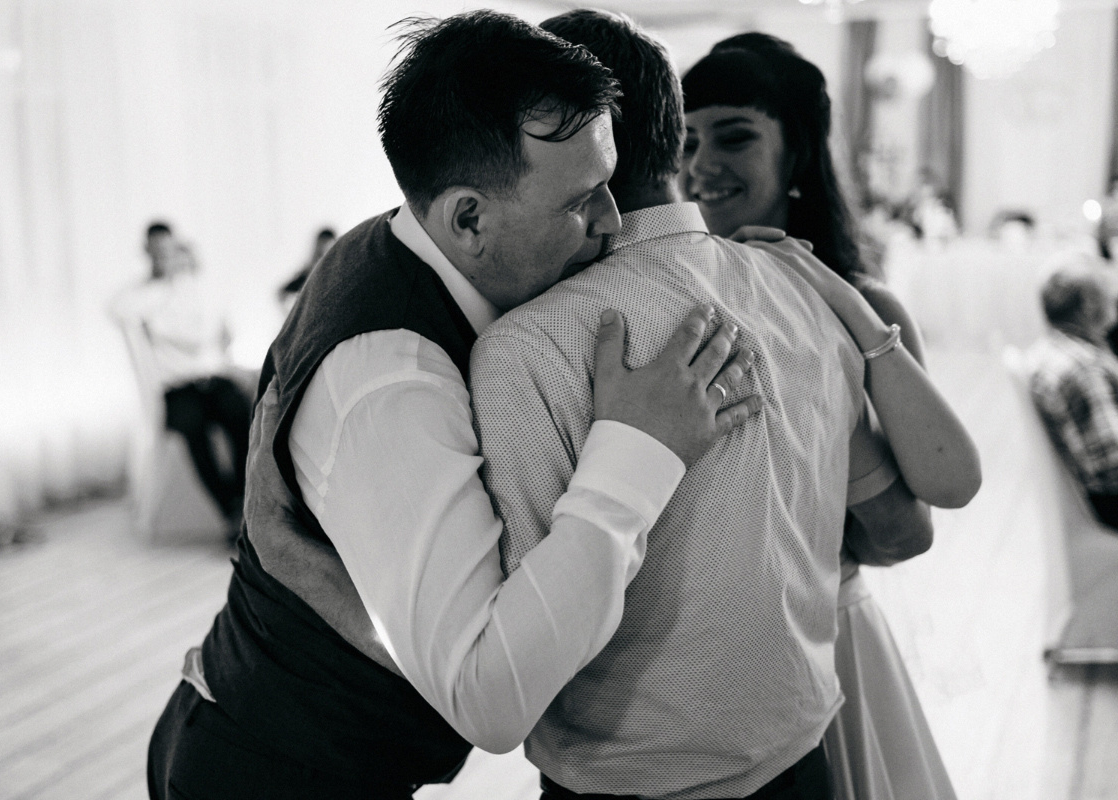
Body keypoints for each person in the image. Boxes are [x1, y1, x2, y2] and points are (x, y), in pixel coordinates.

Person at [147, 13, 762, 799]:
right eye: (582, 200)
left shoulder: (402, 241)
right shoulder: (392, 382)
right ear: (467, 218)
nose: (613, 221)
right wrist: (636, 452)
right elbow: (488, 698)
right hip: (274, 772)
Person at [470, 12, 979, 800]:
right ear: (675, 139)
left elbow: (531, 651)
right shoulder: (804, 295)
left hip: (633, 778)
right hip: (801, 751)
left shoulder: (532, 347)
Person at [678, 33, 980, 800]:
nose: (702, 164)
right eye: (686, 140)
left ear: (798, 150)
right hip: (698, 664)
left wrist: (839, 308)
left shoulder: (863, 306)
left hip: (827, 635)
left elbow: (918, 519)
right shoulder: (666, 296)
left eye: (735, 136)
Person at [110, 221, 251, 527]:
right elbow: (118, 309)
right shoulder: (145, 295)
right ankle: (228, 507)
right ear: (147, 251)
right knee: (193, 428)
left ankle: (243, 501)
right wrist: (160, 282)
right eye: (158, 250)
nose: (166, 256)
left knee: (243, 414)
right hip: (178, 389)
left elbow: (217, 334)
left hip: (213, 381)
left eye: (170, 249)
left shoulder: (199, 289)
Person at [1029, 263, 1118, 529]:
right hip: (1108, 504)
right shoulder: (1085, 368)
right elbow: (1112, 465)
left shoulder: (1050, 349)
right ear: (1090, 305)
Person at [278, 227, 337, 312]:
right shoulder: (308, 271)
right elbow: (283, 294)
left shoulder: (335, 270)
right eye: (324, 243)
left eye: (329, 243)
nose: (326, 247)